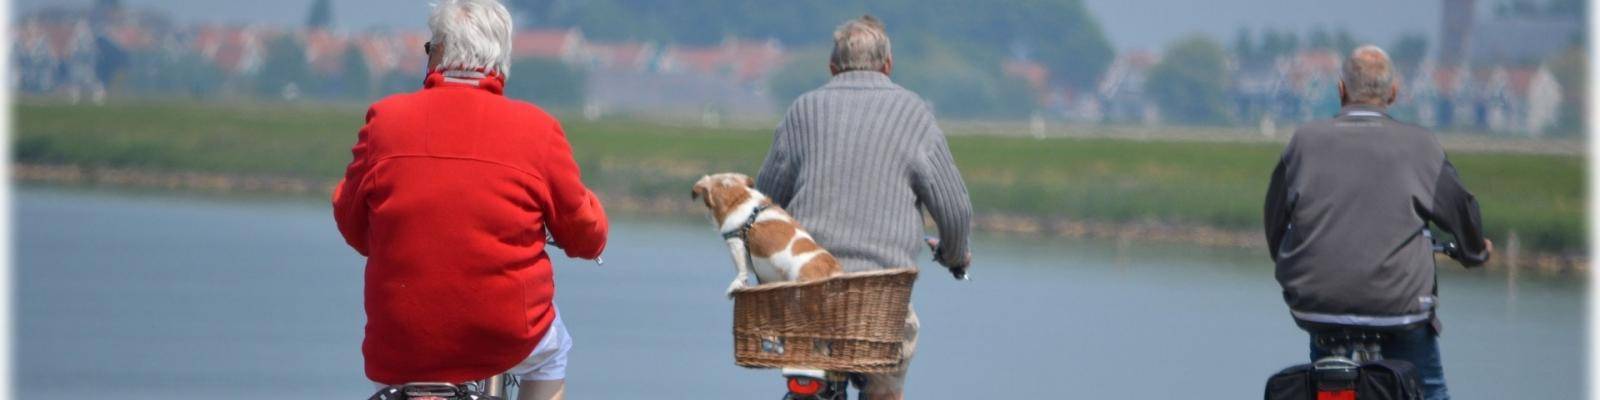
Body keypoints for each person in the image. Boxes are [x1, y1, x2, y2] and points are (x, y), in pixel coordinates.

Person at [332, 1, 607, 399]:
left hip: (401, 340)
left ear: (439, 52)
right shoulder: (537, 130)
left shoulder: (385, 120)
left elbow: (353, 226)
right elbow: (585, 234)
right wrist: (591, 228)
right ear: (501, 57)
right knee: (552, 352)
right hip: (505, 332)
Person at [755, 15, 973, 400]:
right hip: (881, 303)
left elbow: (764, 207)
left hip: (809, 292)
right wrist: (955, 255)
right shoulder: (914, 114)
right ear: (887, 66)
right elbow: (954, 211)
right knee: (885, 387)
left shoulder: (803, 111)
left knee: (806, 371)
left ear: (833, 68)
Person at [1263, 45, 1492, 400]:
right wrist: (1474, 252)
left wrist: (1289, 259)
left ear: (1341, 90)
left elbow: (1275, 219)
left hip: (1318, 304)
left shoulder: (1303, 142)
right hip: (1401, 309)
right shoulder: (1422, 146)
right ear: (1394, 93)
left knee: (1327, 377)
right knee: (1428, 389)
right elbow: (1462, 212)